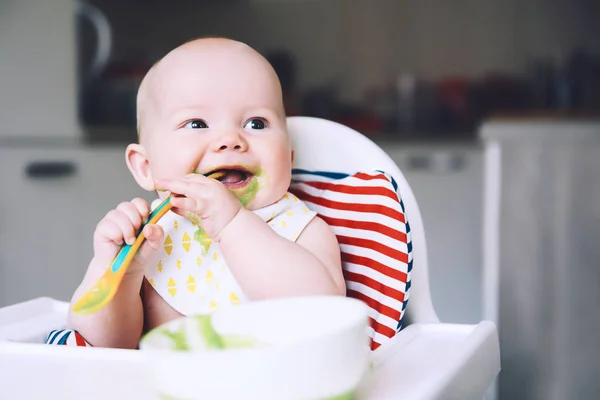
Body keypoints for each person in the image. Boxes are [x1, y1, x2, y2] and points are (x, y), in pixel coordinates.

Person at [67, 37, 345, 349]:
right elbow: (106, 346)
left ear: (289, 158)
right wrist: (119, 270)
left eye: (256, 123)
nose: (230, 139)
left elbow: (324, 319)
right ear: (146, 166)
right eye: (197, 124)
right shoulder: (154, 237)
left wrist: (233, 224)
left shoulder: (301, 230)